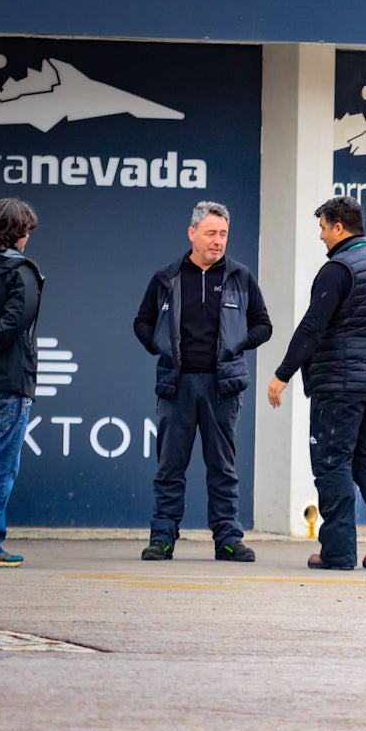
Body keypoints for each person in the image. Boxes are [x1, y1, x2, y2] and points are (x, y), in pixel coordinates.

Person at [267, 195, 366, 571]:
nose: (320, 236)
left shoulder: (338, 269)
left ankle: (337, 551)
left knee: (332, 463)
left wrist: (283, 374)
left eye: (322, 228)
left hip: (339, 384)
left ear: (339, 227)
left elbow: (312, 327)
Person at [133, 202, 271, 563]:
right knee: (169, 468)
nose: (218, 241)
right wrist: (160, 345)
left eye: (223, 234)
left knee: (223, 468)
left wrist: (236, 342)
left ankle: (228, 540)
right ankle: (162, 539)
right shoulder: (167, 277)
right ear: (192, 233)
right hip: (176, 386)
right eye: (211, 233)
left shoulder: (240, 276)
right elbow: (142, 322)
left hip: (222, 388)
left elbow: (264, 325)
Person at [0, 198, 42, 568]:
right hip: (8, 384)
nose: (29, 237)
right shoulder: (22, 272)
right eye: (27, 231)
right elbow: (14, 323)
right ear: (18, 232)